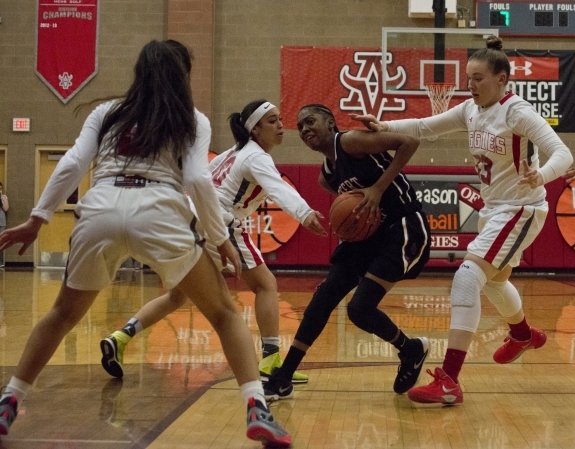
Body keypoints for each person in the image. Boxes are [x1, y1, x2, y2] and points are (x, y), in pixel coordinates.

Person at [0, 40, 291, 446]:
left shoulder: (106, 112)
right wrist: (221, 238)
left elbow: (71, 163)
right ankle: (257, 408)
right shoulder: (191, 118)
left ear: (139, 72)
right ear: (183, 76)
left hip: (99, 208)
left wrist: (37, 219)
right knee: (224, 313)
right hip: (158, 210)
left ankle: (10, 399)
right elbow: (196, 180)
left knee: (61, 315)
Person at [351, 36, 573, 405]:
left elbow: (561, 152)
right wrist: (383, 125)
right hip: (496, 208)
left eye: (479, 78)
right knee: (495, 282)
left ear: (502, 79)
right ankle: (522, 335)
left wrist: (544, 175)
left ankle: (450, 381)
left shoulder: (517, 112)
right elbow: (423, 127)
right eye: (468, 77)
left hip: (522, 207)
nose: (470, 85)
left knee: (468, 275)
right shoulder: (470, 110)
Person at [100, 99, 327, 384]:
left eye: (281, 119)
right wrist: (304, 213)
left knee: (178, 295)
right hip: (219, 222)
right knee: (266, 285)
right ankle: (271, 362)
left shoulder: (233, 152)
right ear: (255, 129)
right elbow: (278, 188)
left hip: (189, 220)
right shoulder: (256, 156)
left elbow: (200, 178)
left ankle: (120, 337)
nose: (281, 126)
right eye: (273, 121)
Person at [262, 103, 431, 401]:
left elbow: (410, 142)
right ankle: (283, 378)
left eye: (310, 121)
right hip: (370, 237)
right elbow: (351, 207)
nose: (304, 129)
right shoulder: (326, 176)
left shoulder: (350, 141)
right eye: (300, 127)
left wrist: (378, 188)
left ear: (330, 123)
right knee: (323, 298)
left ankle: (411, 349)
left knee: (359, 309)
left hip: (403, 227)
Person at [0, 183, 8, 268]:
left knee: (1, 241)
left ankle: (0, 261)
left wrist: (1, 199)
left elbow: (6, 208)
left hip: (1, 222)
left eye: (1, 188)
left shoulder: (4, 197)